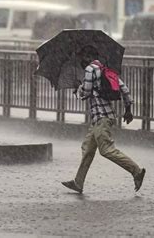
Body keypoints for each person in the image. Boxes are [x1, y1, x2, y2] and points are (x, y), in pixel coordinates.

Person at [62, 45, 146, 194]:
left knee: (106, 150)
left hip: (101, 118)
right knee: (87, 148)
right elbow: (124, 89)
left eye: (82, 58)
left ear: (87, 57)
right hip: (102, 118)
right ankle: (78, 182)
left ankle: (136, 171)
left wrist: (78, 88)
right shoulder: (105, 68)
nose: (81, 62)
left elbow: (85, 93)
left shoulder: (89, 69)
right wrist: (128, 109)